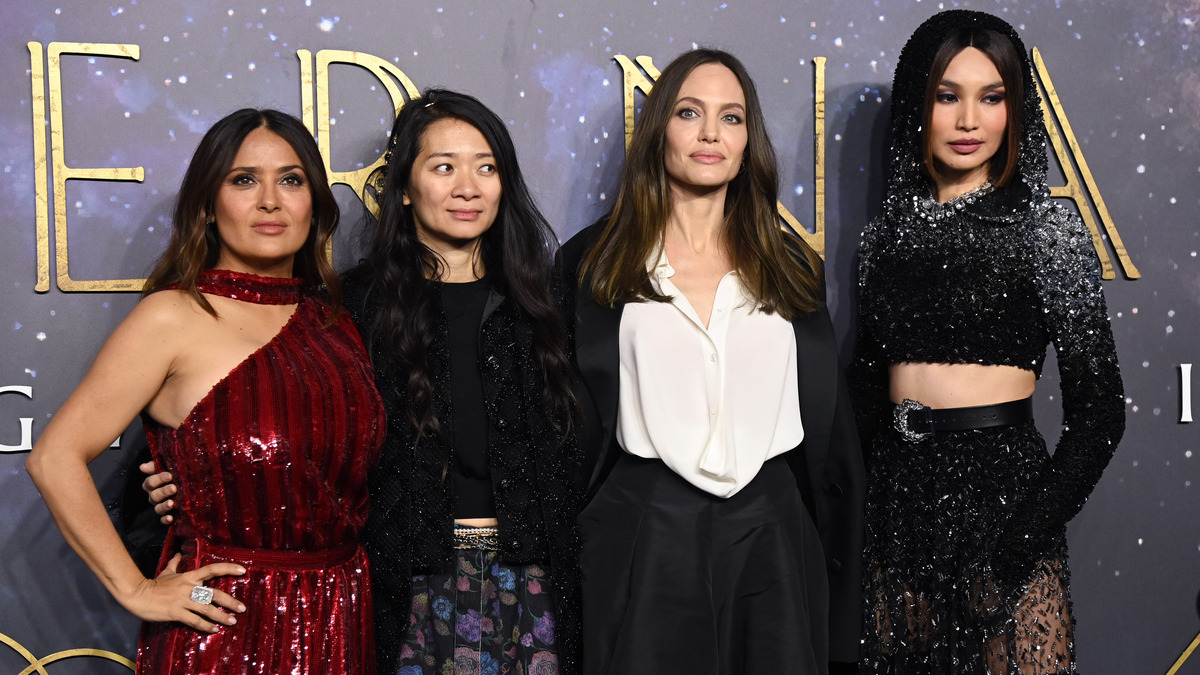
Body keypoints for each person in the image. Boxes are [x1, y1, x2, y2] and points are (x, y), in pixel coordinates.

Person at [25, 108, 385, 674]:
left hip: (341, 617)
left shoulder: (335, 324)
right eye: (243, 180)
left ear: (315, 202)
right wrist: (140, 590)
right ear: (207, 205)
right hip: (223, 627)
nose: (270, 200)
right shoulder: (172, 316)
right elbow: (54, 458)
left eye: (291, 180)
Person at [558, 48, 865, 674]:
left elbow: (834, 440)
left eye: (731, 117)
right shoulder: (593, 264)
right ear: (658, 132)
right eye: (689, 112)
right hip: (644, 525)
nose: (709, 134)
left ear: (748, 140)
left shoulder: (790, 267)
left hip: (772, 529)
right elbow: (562, 420)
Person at [851, 10, 1125, 673]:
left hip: (1005, 505)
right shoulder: (881, 239)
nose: (970, 120)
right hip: (902, 510)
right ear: (919, 101)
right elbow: (864, 383)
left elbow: (1100, 414)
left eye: (992, 97)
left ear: (1015, 109)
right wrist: (879, 506)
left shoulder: (1048, 230)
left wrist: (1015, 545)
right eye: (948, 96)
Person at [345, 89, 584, 675]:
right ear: (404, 186)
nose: (468, 187)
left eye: (487, 167)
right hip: (408, 581)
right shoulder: (355, 305)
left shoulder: (546, 302)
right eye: (443, 167)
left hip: (533, 581)